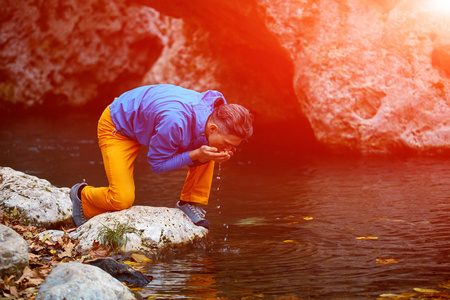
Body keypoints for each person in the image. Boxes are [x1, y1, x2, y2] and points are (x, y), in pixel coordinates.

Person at [70, 84, 253, 229]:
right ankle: (82, 195)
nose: (229, 149)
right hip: (119, 125)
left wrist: (210, 152)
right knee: (121, 199)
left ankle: (190, 202)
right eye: (228, 143)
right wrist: (197, 153)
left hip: (150, 122)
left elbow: (207, 144)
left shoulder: (218, 113)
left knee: (210, 149)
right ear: (213, 128)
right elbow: (157, 165)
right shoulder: (175, 123)